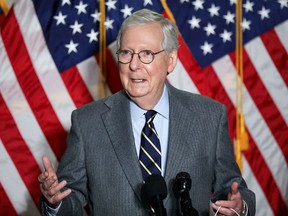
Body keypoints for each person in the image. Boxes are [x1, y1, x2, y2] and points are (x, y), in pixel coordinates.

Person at [38, 9, 255, 216]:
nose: (134, 65)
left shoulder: (209, 117)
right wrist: (54, 203)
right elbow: (69, 198)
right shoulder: (87, 122)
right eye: (126, 53)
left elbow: (233, 190)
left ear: (171, 60)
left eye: (146, 54)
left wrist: (239, 206)